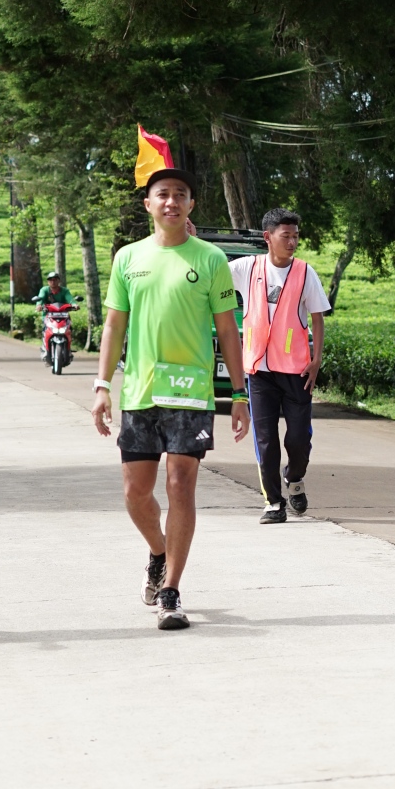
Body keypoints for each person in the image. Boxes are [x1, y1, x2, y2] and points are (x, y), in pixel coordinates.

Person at [92, 167, 249, 630]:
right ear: (149, 204)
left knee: (180, 485)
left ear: (191, 204)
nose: (171, 201)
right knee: (135, 493)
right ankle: (159, 552)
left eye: (181, 194)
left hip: (191, 392)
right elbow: (114, 325)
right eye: (162, 194)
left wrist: (239, 393)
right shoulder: (128, 258)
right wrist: (102, 386)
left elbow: (227, 330)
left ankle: (171, 590)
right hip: (140, 391)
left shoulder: (211, 259)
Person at [229, 209, 330, 523]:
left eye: (296, 236)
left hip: (297, 371)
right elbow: (210, 268)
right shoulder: (247, 268)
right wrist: (190, 240)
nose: (292, 242)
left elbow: (317, 318)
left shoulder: (304, 272)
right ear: (267, 237)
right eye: (286, 236)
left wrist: (316, 360)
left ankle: (295, 479)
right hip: (259, 372)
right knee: (266, 440)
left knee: (298, 439)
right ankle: (273, 502)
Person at [35, 269, 74, 357]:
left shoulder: (64, 291)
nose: (53, 282)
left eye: (55, 279)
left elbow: (70, 299)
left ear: (59, 281)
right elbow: (40, 298)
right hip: (49, 316)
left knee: (70, 328)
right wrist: (39, 305)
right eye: (50, 280)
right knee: (45, 329)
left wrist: (74, 305)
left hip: (63, 316)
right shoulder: (45, 290)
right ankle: (45, 346)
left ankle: (69, 347)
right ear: (48, 282)